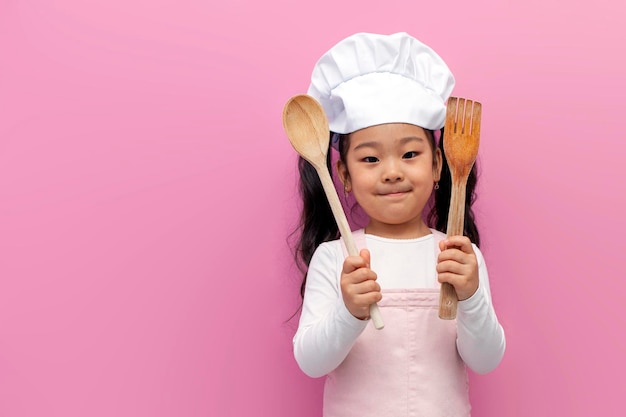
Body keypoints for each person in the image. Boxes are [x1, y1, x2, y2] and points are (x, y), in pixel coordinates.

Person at [290, 32, 506, 416]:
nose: (392, 172)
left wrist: (470, 296)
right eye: (371, 159)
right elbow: (311, 362)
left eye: (409, 153)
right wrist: (349, 312)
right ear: (343, 174)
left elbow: (485, 360)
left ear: (438, 163)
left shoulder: (461, 254)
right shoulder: (334, 257)